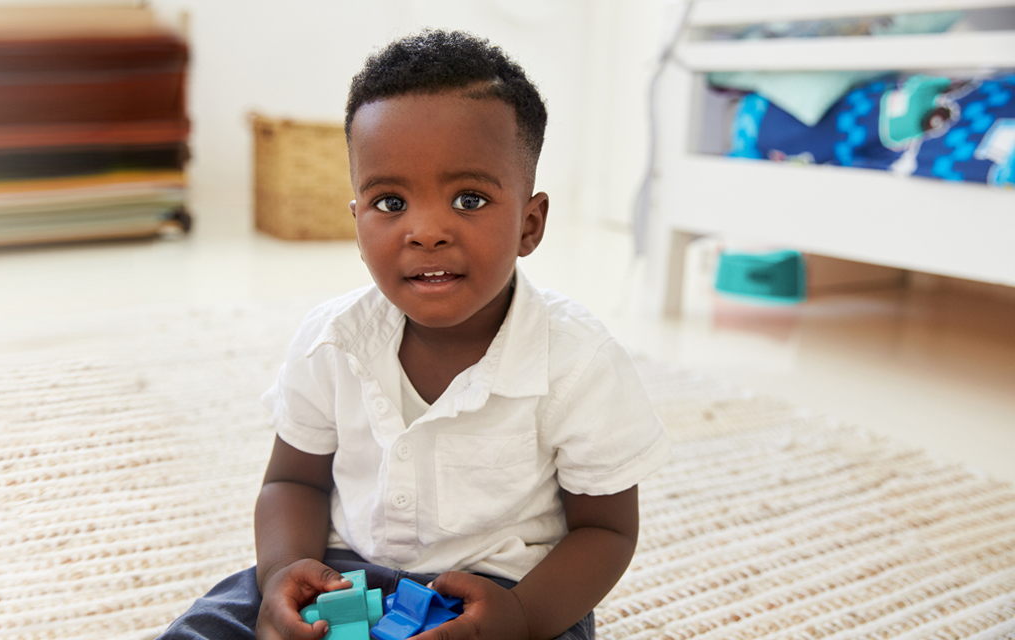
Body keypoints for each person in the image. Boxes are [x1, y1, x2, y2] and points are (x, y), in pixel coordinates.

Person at [159, 30, 669, 640]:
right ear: (356, 222)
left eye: (469, 198)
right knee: (205, 628)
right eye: (391, 202)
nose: (426, 231)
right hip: (339, 577)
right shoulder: (330, 340)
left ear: (529, 225)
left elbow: (607, 531)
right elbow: (291, 481)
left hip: (504, 596)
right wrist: (282, 577)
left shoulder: (579, 362)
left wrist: (523, 618)